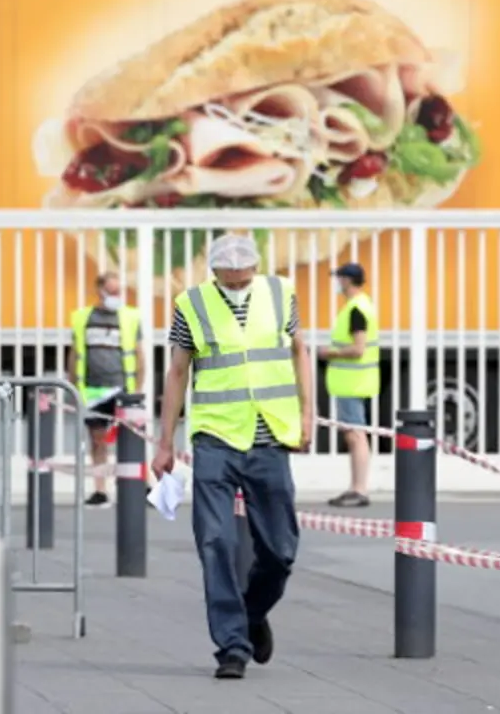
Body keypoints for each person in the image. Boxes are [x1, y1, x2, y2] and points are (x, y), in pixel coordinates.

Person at [151, 234, 314, 680]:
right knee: (216, 542)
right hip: (215, 439)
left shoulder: (281, 293)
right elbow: (178, 372)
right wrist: (164, 442)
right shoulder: (192, 304)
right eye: (232, 278)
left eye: (247, 277)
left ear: (257, 269)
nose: (240, 284)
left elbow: (299, 350)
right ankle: (232, 646)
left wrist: (307, 414)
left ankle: (251, 613)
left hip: (270, 438)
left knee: (280, 551)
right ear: (216, 272)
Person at [67, 271, 145, 507]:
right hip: (92, 389)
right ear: (99, 290)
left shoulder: (130, 317)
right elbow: (75, 354)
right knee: (98, 439)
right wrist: (72, 387)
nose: (117, 296)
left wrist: (137, 388)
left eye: (119, 291)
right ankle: (100, 490)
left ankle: (140, 486)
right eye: (112, 292)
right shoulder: (82, 318)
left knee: (132, 439)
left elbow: (139, 355)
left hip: (122, 387)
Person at [320, 263, 379, 508]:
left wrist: (330, 353)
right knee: (354, 435)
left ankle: (359, 489)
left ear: (347, 280)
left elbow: (358, 348)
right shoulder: (361, 306)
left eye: (339, 278)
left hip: (352, 383)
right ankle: (355, 487)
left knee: (356, 436)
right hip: (353, 383)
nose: (337, 283)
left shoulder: (356, 309)